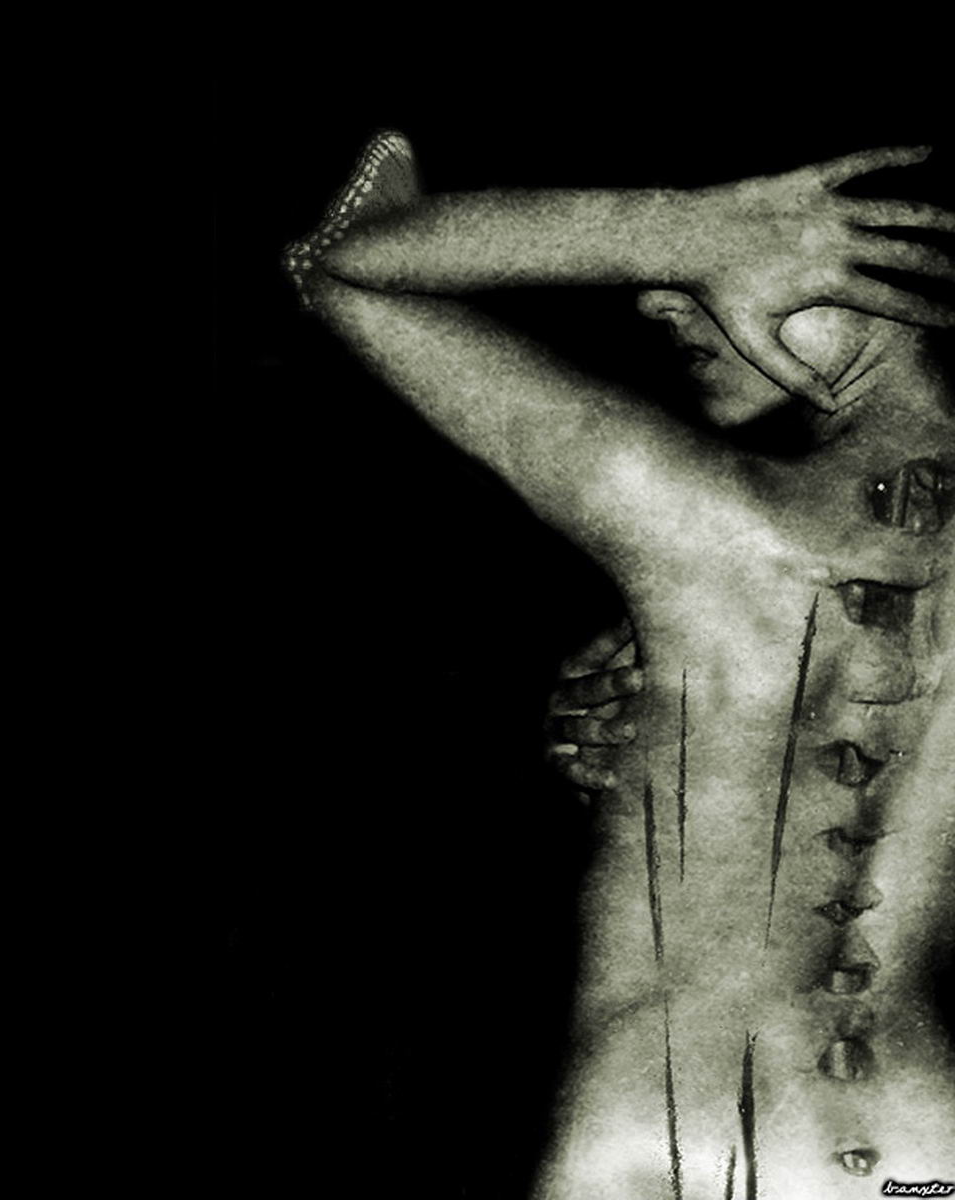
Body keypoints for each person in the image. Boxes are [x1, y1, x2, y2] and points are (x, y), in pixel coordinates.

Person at [286, 132, 955, 1198]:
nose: (658, 299)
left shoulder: (708, 526)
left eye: (740, 246)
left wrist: (677, 228)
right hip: (915, 1153)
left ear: (869, 258)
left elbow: (343, 263)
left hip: (667, 1135)